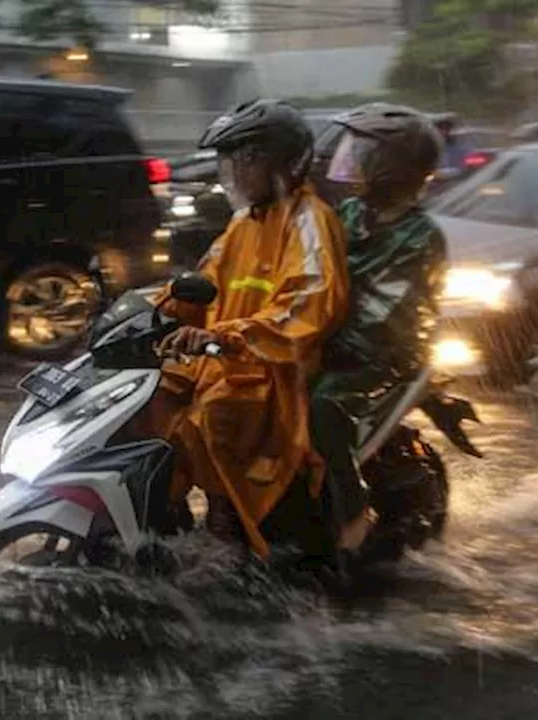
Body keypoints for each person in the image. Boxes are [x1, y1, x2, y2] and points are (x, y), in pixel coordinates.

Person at [150, 99, 350, 559]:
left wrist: (226, 335)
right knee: (150, 396)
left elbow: (309, 302)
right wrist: (150, 314)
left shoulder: (308, 220)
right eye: (232, 161)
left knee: (212, 416)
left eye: (248, 159)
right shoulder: (244, 222)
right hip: (224, 358)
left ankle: (232, 529)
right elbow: (204, 279)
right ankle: (161, 513)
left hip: (274, 368)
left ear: (285, 163)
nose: (236, 173)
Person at [307, 103, 449, 554]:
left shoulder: (420, 236)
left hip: (383, 353)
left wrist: (318, 345)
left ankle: (352, 513)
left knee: (324, 403)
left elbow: (384, 314)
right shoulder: (348, 213)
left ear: (396, 168)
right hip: (330, 340)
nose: (354, 161)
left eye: (366, 153)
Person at [432, 113, 467, 180]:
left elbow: (461, 164)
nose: (443, 132)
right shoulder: (428, 144)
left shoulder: (455, 144)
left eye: (446, 129)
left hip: (452, 177)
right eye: (441, 128)